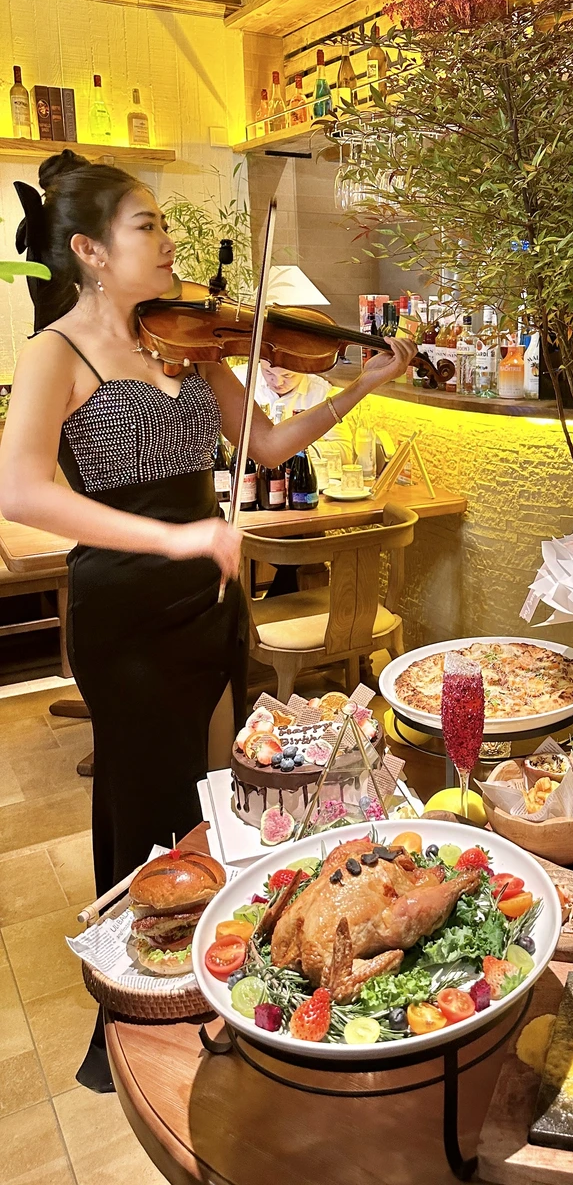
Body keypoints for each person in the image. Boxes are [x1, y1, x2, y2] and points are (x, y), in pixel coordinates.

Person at [0, 150, 414, 1090]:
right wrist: (177, 538)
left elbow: (264, 442)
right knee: (144, 810)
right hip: (125, 612)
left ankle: (219, 987)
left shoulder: (184, 345)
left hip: (209, 608)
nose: (168, 242)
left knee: (218, 805)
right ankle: (132, 1019)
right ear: (89, 251)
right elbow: (19, 489)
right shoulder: (56, 352)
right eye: (147, 226)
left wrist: (361, 385)